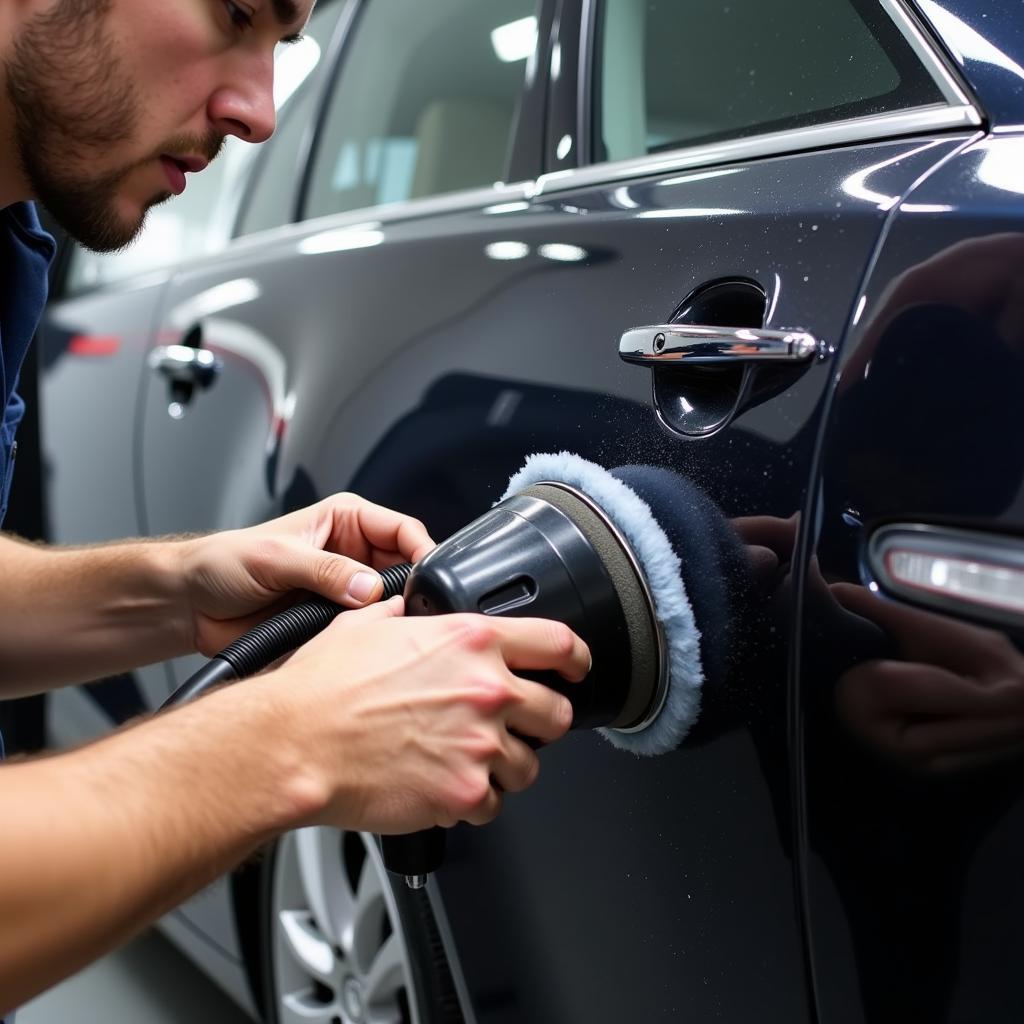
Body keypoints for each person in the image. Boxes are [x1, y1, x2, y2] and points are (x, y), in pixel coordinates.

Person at [0, 0, 590, 1012]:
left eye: (283, 47)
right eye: (235, 13)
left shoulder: (12, 249)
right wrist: (287, 742)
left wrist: (177, 588)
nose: (262, 112)